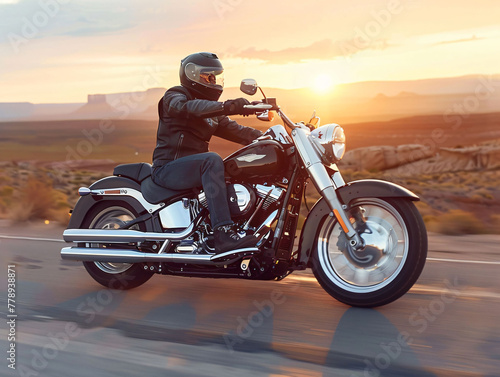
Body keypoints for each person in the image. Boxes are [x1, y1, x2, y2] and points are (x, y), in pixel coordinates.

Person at [151, 52, 263, 254]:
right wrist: (227, 106)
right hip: (167, 168)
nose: (213, 81)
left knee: (235, 168)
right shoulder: (175, 96)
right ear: (191, 75)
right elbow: (186, 107)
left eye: (216, 76)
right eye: (208, 76)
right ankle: (223, 234)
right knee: (212, 160)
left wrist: (269, 137)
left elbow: (239, 132)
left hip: (192, 170)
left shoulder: (212, 115)